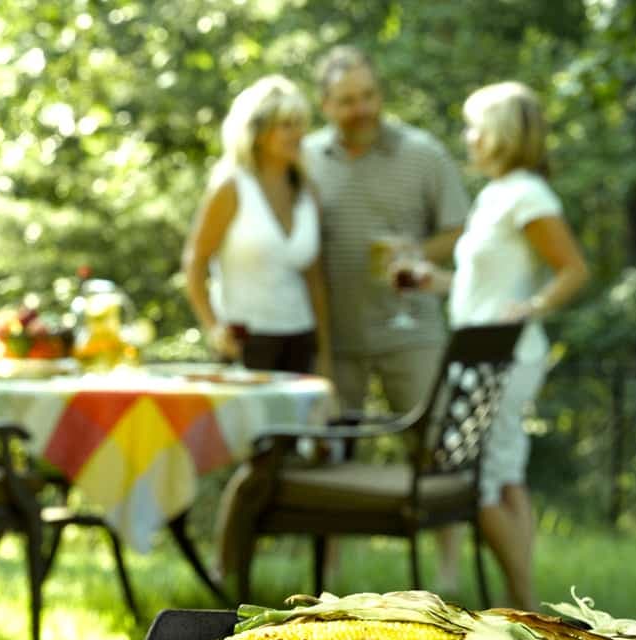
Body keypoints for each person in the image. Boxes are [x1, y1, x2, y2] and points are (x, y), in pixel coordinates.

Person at [400, 81, 589, 609]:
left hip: (504, 359)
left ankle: (521, 605)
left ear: (502, 132)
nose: (469, 137)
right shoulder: (494, 194)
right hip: (480, 358)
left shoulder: (529, 194)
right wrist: (427, 280)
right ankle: (523, 605)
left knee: (480, 480)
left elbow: (573, 269)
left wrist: (531, 307)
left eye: (475, 125)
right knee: (504, 475)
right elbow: (475, 284)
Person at [302, 45, 470, 592]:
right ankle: (327, 575)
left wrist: (417, 254)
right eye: (348, 100)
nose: (362, 108)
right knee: (332, 453)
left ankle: (447, 573)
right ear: (326, 105)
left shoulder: (422, 153)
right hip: (337, 336)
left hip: (412, 329)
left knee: (435, 443)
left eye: (369, 95)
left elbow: (458, 228)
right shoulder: (305, 158)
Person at [183, 75, 331, 375]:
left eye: (301, 123)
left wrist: (325, 353)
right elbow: (195, 261)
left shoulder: (306, 190)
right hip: (245, 341)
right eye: (286, 125)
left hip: (300, 338)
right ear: (259, 132)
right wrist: (213, 328)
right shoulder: (231, 186)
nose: (298, 134)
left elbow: (314, 278)